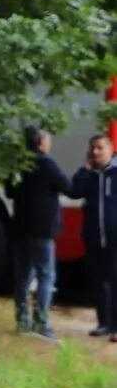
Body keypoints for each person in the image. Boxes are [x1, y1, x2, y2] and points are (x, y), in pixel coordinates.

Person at [8, 125, 70, 339]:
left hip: (20, 228)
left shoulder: (18, 165)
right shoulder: (47, 163)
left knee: (23, 276)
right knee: (46, 276)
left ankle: (22, 321)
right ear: (41, 143)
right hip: (43, 230)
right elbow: (67, 186)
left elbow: (9, 190)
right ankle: (42, 323)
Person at [70, 132, 117, 341]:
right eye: (93, 149)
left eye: (100, 148)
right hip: (94, 237)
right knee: (100, 282)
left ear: (110, 149)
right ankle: (104, 323)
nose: (96, 152)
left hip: (115, 237)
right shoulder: (89, 176)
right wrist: (84, 168)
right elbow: (74, 191)